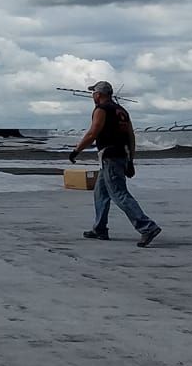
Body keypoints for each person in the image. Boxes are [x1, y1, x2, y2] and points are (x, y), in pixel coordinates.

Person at [69, 81, 161, 247]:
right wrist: (130, 160)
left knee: (119, 194)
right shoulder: (122, 111)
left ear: (99, 94)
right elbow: (131, 136)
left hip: (110, 157)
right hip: (120, 155)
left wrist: (76, 151)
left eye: (94, 93)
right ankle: (100, 229)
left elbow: (92, 132)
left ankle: (147, 227)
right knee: (100, 193)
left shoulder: (101, 110)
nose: (92, 96)